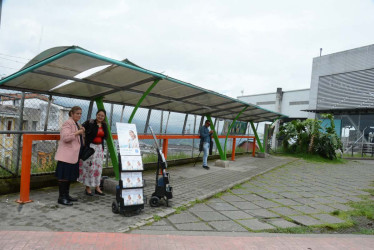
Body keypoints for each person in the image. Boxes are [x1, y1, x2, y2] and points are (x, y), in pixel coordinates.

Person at [55, 106, 85, 206]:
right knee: (63, 177)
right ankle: (61, 197)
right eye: (77, 113)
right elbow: (65, 138)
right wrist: (78, 132)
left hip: (72, 155)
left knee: (68, 177)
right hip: (66, 156)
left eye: (80, 113)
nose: (79, 115)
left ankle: (66, 195)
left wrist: (81, 132)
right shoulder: (67, 123)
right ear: (71, 114)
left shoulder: (76, 123)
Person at [78, 109, 108, 196]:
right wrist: (83, 130)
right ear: (96, 115)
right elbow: (81, 126)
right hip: (91, 148)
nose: (100, 117)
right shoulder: (90, 122)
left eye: (102, 116)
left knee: (98, 169)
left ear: (104, 117)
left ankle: (97, 187)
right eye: (99, 115)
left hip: (99, 148)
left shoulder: (104, 125)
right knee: (89, 168)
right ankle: (87, 188)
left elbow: (105, 136)